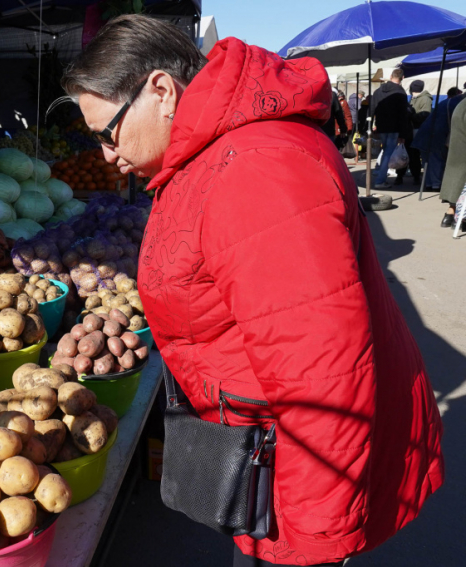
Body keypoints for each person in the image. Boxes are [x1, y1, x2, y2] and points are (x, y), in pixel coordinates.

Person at [62, 14, 443, 567]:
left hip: (294, 481)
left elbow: (324, 376)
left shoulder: (255, 170)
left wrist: (310, 540)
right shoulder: (215, 153)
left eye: (107, 132)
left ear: (162, 92)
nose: (105, 154)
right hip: (265, 455)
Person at [370, 69, 411, 188]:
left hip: (381, 126)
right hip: (394, 128)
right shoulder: (400, 92)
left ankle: (379, 172)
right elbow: (403, 115)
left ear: (390, 76)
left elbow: (372, 109)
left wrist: (368, 126)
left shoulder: (378, 91)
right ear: (402, 78)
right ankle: (380, 180)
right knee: (388, 152)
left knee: (386, 150)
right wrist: (403, 134)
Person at [395, 79, 431, 185]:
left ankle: (415, 176)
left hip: (417, 130)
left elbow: (425, 115)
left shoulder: (425, 99)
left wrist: (411, 115)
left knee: (414, 155)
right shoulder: (413, 98)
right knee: (404, 153)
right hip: (409, 130)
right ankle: (400, 175)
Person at [439, 95, 466, 227]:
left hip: (457, 151)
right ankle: (460, 219)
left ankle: (450, 215)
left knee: (455, 181)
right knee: (461, 183)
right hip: (463, 154)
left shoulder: (461, 104)